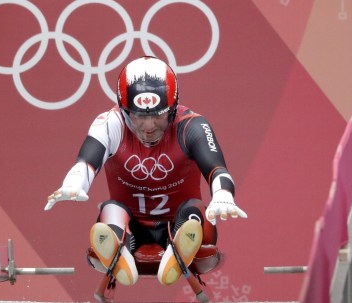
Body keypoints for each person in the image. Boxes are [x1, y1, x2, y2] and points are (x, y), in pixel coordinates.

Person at [45, 56, 247, 287]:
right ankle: (120, 252)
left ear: (173, 108)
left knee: (197, 209)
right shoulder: (110, 123)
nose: (149, 126)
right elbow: (86, 163)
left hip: (182, 225)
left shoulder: (192, 125)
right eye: (139, 116)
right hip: (130, 228)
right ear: (124, 110)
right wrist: (73, 184)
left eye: (158, 115)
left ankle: (177, 250)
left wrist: (223, 196)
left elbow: (218, 170)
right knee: (109, 209)